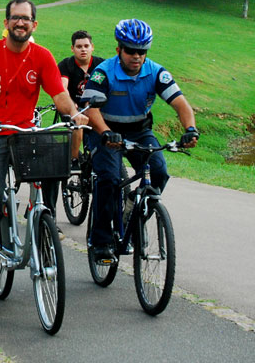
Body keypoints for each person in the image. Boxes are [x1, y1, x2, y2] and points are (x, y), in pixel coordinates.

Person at [0, 0, 87, 307]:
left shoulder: (42, 56)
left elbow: (60, 96)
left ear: (34, 24)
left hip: (24, 134)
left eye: (26, 19)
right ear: (5, 24)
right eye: (15, 18)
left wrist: (74, 114)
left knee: (51, 174)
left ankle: (42, 219)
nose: (20, 23)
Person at [81, 19, 199, 263]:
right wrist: (104, 132)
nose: (136, 56)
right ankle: (101, 240)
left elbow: (180, 103)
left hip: (139, 130)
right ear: (118, 50)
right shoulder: (104, 72)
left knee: (159, 171)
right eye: (130, 50)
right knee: (110, 180)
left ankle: (135, 210)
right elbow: (91, 110)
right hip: (106, 129)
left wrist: (190, 129)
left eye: (142, 51)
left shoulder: (155, 72)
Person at [58, 30, 105, 166]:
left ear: (92, 47)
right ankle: (74, 160)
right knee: (78, 123)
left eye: (86, 46)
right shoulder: (66, 65)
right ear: (73, 49)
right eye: (79, 47)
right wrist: (72, 107)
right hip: (73, 108)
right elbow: (63, 88)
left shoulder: (101, 65)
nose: (83, 50)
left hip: (95, 108)